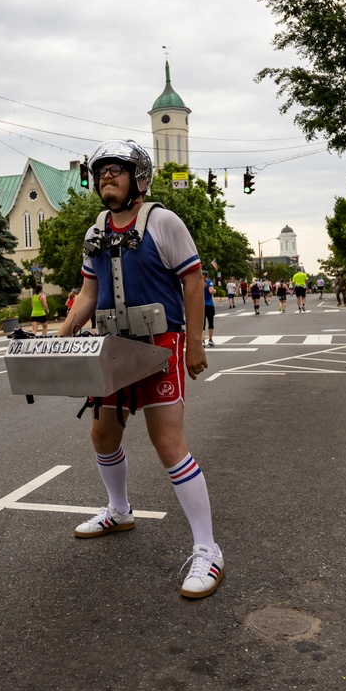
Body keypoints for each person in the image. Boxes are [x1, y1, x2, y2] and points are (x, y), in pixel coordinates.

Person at [59, 139, 223, 599]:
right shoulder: (94, 231)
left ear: (139, 178)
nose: (107, 175)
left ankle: (209, 550)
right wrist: (63, 331)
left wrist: (194, 342)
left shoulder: (162, 221)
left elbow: (193, 280)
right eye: (101, 171)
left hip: (160, 342)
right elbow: (88, 294)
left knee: (168, 443)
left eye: (117, 169)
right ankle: (120, 510)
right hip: (112, 346)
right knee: (103, 435)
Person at [203, 271, 216, 346]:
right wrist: (215, 291)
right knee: (210, 322)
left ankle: (202, 340)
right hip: (209, 304)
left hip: (201, 305)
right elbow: (211, 291)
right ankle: (210, 339)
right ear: (207, 275)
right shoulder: (209, 282)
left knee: (202, 324)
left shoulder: (198, 282)